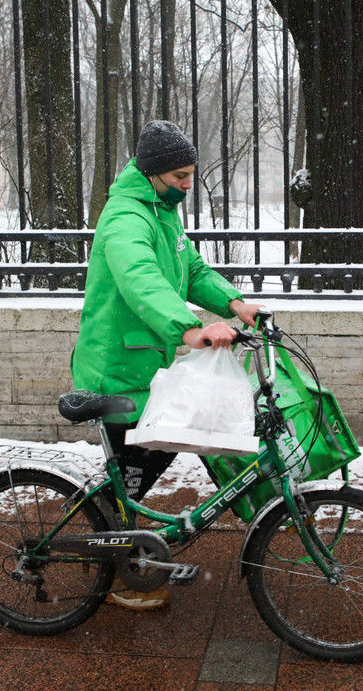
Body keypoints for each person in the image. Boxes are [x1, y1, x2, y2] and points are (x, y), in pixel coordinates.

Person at [70, 119, 262, 611]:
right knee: (133, 474)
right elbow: (141, 279)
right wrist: (188, 328)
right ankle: (116, 571)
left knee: (158, 450)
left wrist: (233, 303)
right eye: (179, 176)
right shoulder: (126, 219)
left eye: (190, 174)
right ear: (153, 173)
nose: (186, 185)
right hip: (116, 368)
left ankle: (103, 518)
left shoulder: (162, 212)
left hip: (147, 367)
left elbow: (189, 269)